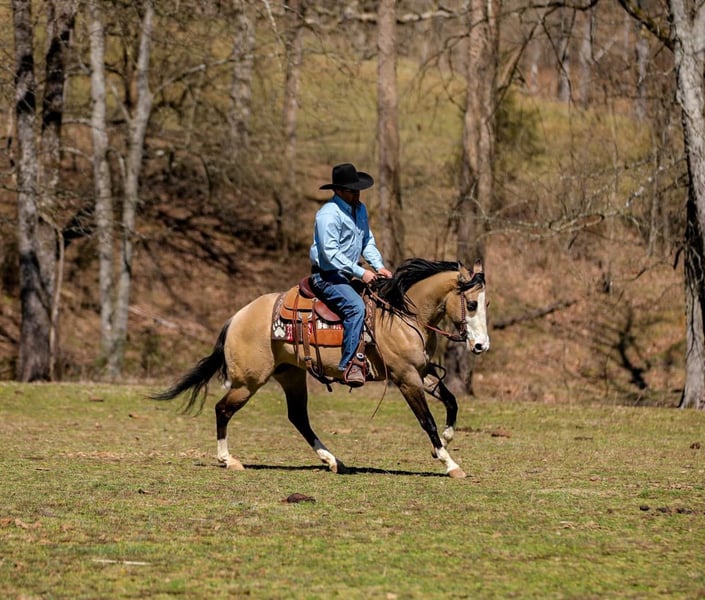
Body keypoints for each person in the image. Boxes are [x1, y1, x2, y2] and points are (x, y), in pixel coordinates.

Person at [309, 163, 393, 387]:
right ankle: (350, 364)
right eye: (352, 190)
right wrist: (361, 272)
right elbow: (330, 253)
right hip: (326, 276)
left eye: (358, 190)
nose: (357, 194)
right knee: (356, 307)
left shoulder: (360, 209)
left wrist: (378, 266)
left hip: (347, 274)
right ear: (338, 191)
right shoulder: (328, 214)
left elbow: (367, 241)